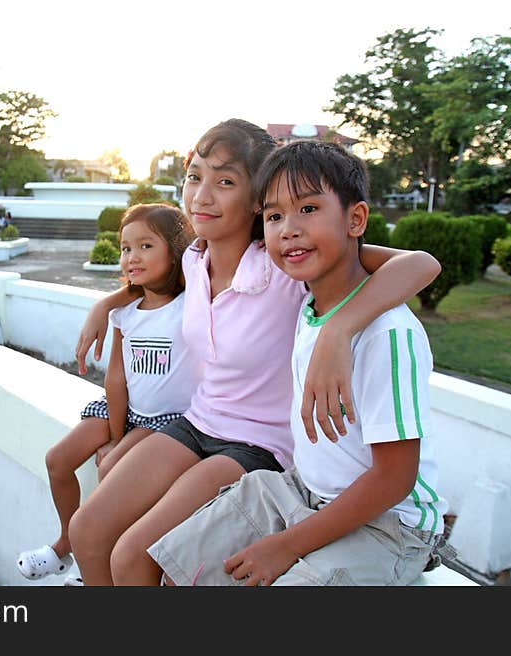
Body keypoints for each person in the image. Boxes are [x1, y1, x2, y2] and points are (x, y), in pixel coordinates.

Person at [67, 119, 441, 585]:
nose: (202, 196)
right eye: (195, 176)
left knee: (135, 554)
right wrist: (107, 303)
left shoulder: (286, 265)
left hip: (260, 443)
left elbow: (420, 264)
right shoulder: (193, 260)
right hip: (199, 420)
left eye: (225, 181)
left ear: (253, 199)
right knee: (87, 530)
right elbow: (151, 282)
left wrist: (339, 330)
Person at [16, 203, 199, 582]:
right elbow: (116, 379)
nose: (132, 257)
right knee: (57, 459)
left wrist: (120, 447)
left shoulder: (192, 303)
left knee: (110, 466)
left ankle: (92, 555)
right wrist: (117, 435)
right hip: (126, 408)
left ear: (176, 249)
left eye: (146, 246)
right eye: (125, 248)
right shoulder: (126, 312)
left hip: (168, 419)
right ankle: (67, 545)